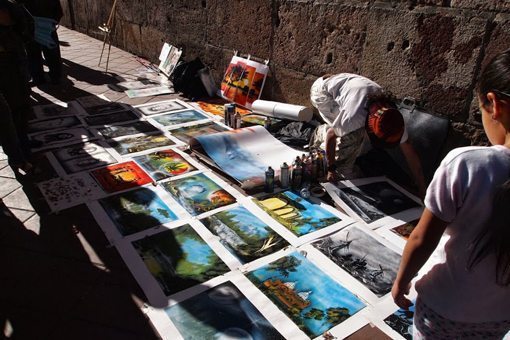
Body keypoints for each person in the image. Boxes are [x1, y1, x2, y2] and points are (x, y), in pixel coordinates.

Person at [391, 49, 510, 338]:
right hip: (500, 316)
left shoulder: (468, 163)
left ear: (494, 105)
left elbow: (422, 238)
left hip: (445, 307)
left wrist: (401, 282)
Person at [309, 73, 426, 197]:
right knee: (351, 135)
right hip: (322, 93)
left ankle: (341, 133)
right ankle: (320, 134)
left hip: (343, 88)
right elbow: (331, 135)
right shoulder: (355, 117)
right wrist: (331, 169)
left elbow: (410, 154)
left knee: (354, 135)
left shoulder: (393, 118)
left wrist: (423, 189)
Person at [0, 0, 32, 174]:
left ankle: (23, 147)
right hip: (8, 66)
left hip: (13, 62)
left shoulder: (11, 6)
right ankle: (20, 153)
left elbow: (26, 26)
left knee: (18, 107)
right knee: (9, 113)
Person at [21, 0, 63, 85]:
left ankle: (38, 78)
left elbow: (19, 11)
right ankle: (55, 77)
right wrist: (53, 21)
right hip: (47, 26)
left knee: (33, 55)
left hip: (31, 28)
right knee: (52, 54)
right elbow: (58, 11)